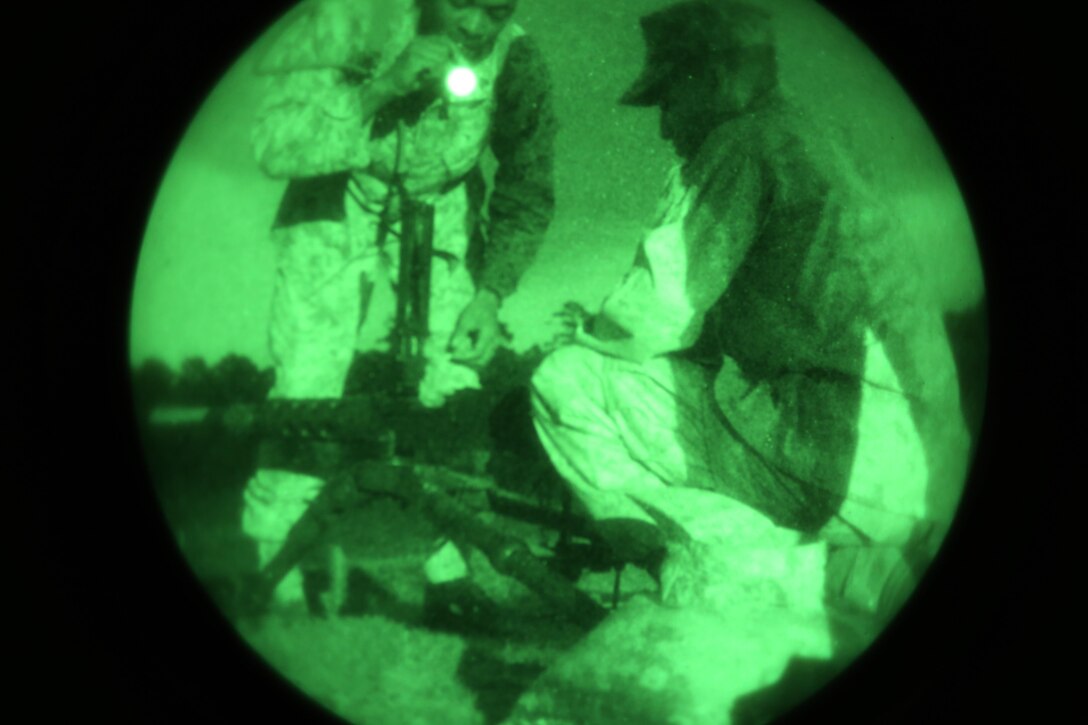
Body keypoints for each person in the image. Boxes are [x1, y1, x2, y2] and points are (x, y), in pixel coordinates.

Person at [532, 0, 971, 635]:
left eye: (668, 100)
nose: (664, 126)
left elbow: (649, 318)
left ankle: (739, 576)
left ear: (714, 79)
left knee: (565, 379)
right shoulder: (824, 141)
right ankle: (859, 572)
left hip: (836, 462)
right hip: (928, 475)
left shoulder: (745, 140)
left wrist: (585, 333)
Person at [241, 0, 556, 614]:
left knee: (452, 386)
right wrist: (380, 88)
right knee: (308, 382)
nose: (475, 26)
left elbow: (528, 183)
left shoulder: (516, 60)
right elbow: (271, 148)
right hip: (333, 201)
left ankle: (447, 574)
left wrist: (491, 294)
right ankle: (274, 571)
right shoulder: (345, 20)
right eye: (461, 3)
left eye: (496, 8)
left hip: (440, 209)